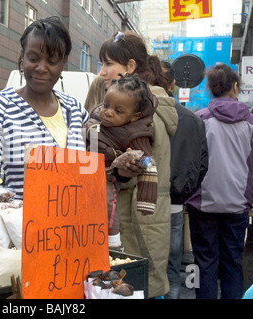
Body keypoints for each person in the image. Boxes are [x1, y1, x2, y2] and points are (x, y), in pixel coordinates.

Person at [0, 16, 90, 200]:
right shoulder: (0, 107)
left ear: (63, 63)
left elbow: (95, 161)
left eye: (52, 61)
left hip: (75, 224)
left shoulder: (76, 110)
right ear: (22, 57)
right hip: (22, 226)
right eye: (33, 58)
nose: (41, 67)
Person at [85, 30, 178, 298]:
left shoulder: (142, 115)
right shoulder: (131, 104)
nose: (102, 72)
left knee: (137, 287)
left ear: (130, 68)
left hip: (136, 220)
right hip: (139, 218)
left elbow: (136, 165)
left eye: (108, 64)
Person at [185, 63, 253, 299]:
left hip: (203, 202)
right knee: (233, 262)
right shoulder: (251, 121)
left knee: (203, 262)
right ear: (234, 87)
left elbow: (191, 162)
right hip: (237, 202)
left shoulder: (200, 118)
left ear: (211, 89)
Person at [85, 75, 158, 248]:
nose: (108, 112)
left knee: (107, 202)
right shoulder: (94, 117)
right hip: (84, 171)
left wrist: (146, 199)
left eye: (118, 111)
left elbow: (149, 163)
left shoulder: (136, 133)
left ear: (134, 116)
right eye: (106, 105)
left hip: (108, 177)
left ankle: (114, 243)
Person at [160, 61, 209, 299]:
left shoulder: (138, 114)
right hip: (176, 204)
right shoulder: (193, 120)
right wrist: (185, 191)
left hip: (141, 203)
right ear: (172, 84)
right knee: (172, 268)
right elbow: (202, 165)